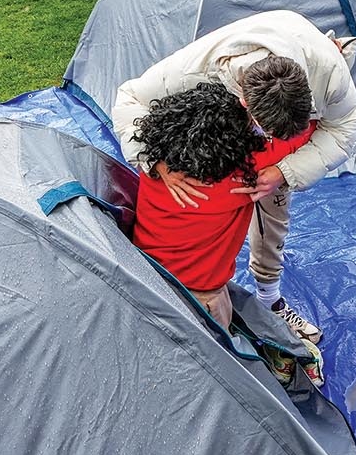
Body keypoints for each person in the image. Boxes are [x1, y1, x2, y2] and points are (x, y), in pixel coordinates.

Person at [112, 10, 356, 345]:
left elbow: (344, 128)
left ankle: (270, 299)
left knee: (273, 219)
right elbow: (129, 97)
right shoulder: (195, 68)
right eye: (265, 130)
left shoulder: (330, 75)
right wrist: (156, 160)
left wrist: (284, 170)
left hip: (276, 161)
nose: (271, 140)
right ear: (244, 100)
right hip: (219, 137)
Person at [130, 82, 308, 334]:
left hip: (146, 279)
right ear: (231, 145)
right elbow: (299, 131)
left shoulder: (154, 167)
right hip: (202, 301)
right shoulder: (238, 178)